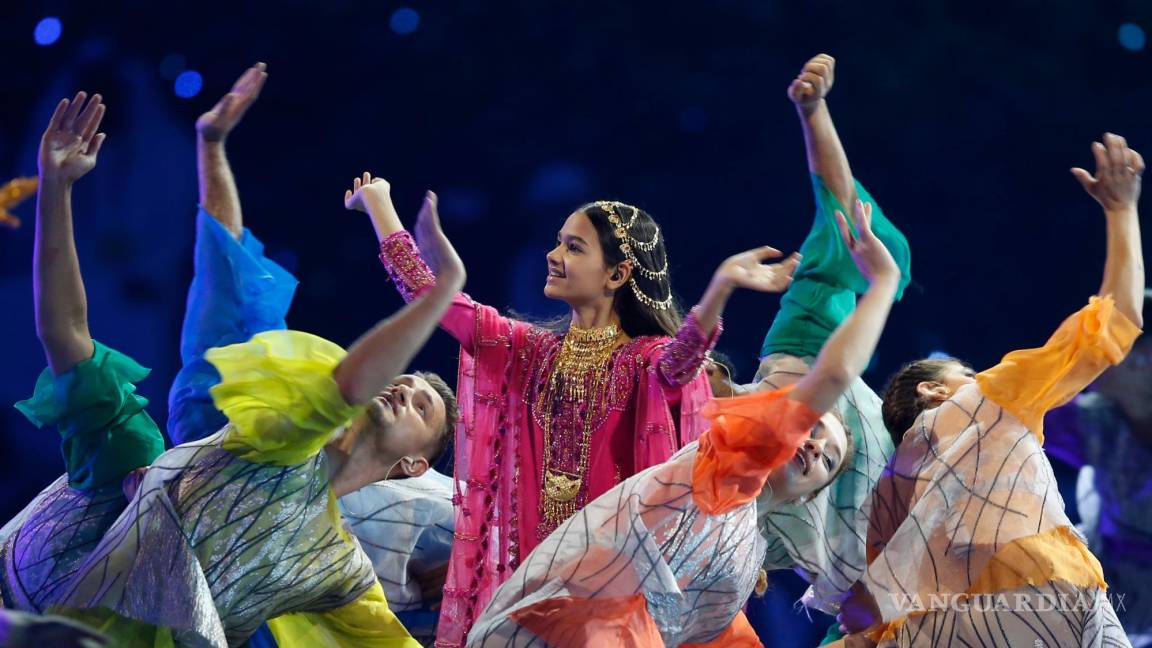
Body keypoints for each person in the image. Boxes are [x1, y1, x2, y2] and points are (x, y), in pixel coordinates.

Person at [3, 84, 465, 647]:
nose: (402, 389)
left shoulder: (336, 569)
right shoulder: (258, 441)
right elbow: (71, 332)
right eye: (403, 379)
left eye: (422, 404)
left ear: (415, 465)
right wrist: (58, 186)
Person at [350, 162, 798, 643]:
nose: (553, 254)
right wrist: (379, 205)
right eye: (557, 241)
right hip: (531, 591)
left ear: (618, 273)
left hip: (610, 603)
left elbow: (684, 355)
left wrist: (722, 287)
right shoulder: (529, 353)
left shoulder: (645, 362)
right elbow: (435, 300)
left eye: (573, 247)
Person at [466, 196, 901, 647]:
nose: (813, 446)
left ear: (807, 498)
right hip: (556, 631)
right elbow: (833, 373)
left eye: (828, 459)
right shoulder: (731, 468)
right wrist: (885, 280)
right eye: (811, 428)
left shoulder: (747, 554)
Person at [839, 133, 1143, 647]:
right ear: (935, 393)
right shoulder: (985, 401)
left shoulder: (888, 495)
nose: (976, 377)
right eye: (964, 371)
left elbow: (872, 617)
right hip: (1047, 591)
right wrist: (1121, 212)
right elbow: (1114, 325)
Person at [1044, 290, 1152, 647]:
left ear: (1144, 358)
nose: (1094, 355)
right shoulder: (1097, 417)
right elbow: (1022, 409)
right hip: (1105, 586)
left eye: (1109, 345)